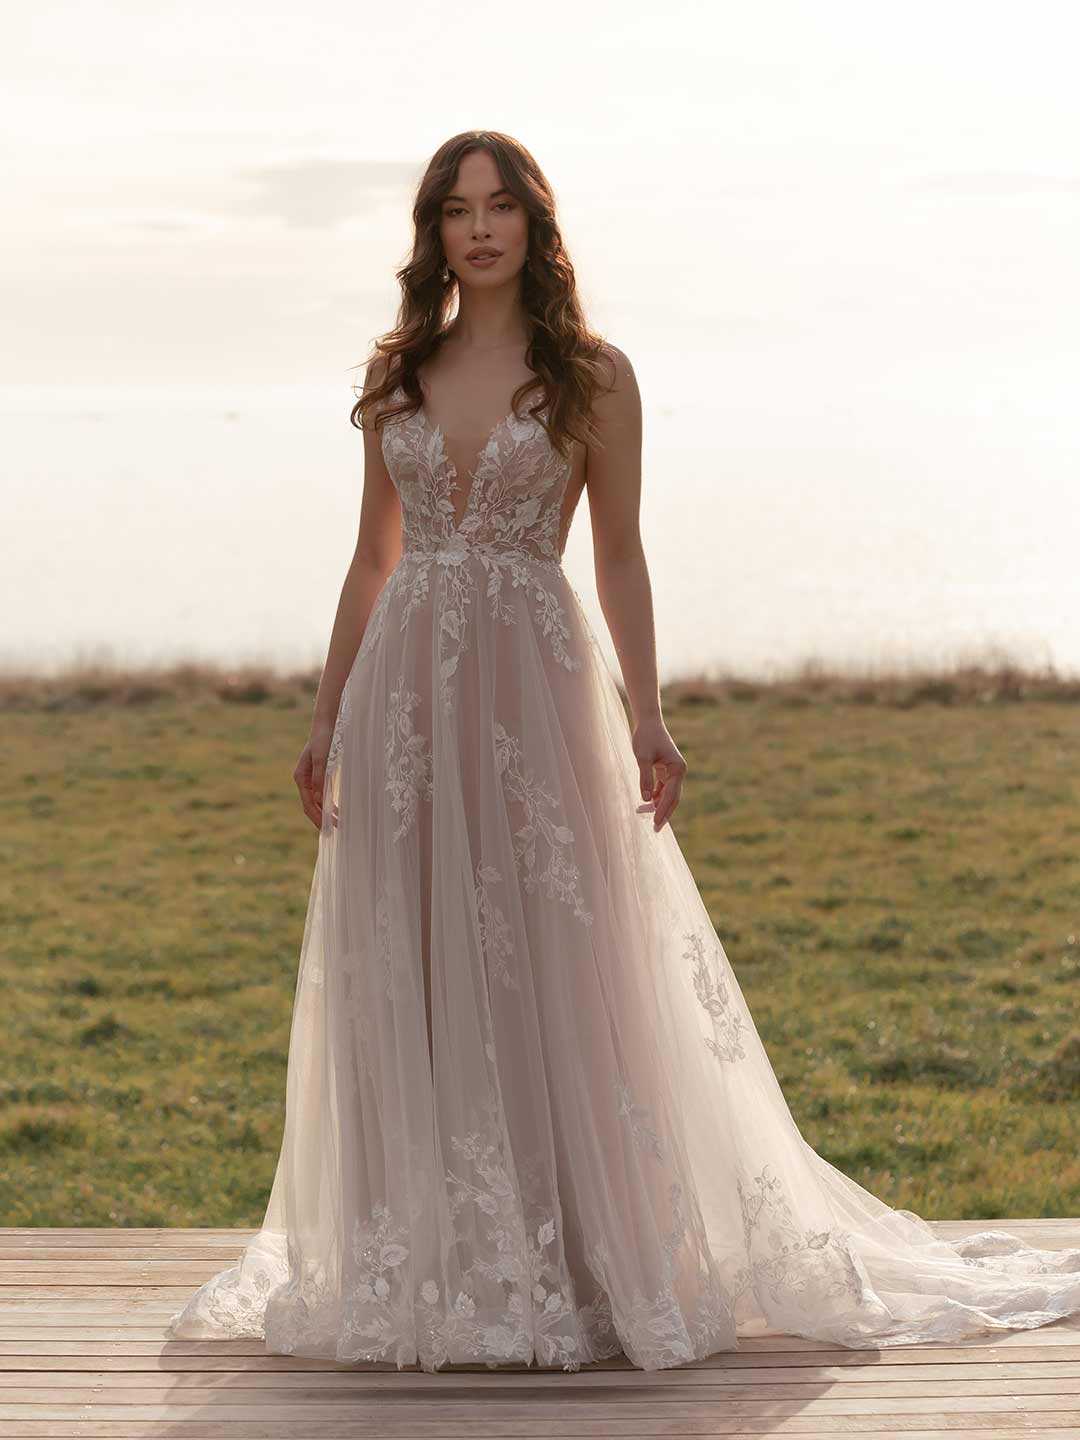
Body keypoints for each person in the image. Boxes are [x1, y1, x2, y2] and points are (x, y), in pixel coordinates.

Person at [166, 130, 1080, 1372]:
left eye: (500, 207)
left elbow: (621, 555)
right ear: (432, 232)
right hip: (407, 706)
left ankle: (582, 1258)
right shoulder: (399, 375)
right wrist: (327, 716)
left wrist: (649, 714)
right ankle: (439, 1259)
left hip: (538, 694)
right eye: (454, 211)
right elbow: (374, 559)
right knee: (418, 961)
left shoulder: (594, 375)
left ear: (537, 225)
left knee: (558, 953)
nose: (478, 229)